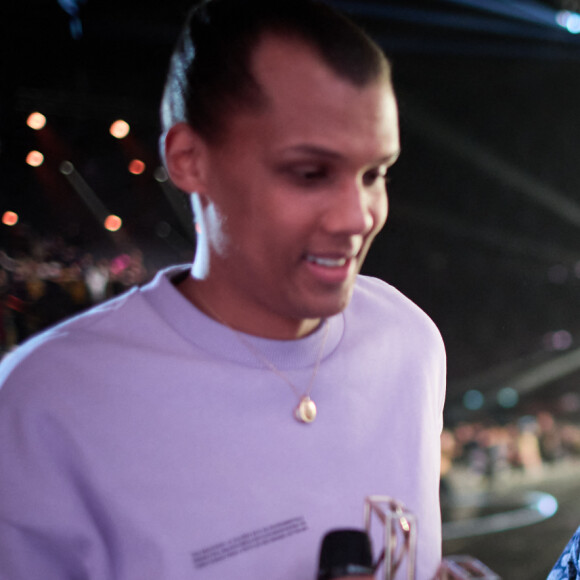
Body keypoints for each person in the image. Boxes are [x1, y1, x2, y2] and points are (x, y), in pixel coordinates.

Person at [0, 1, 446, 579]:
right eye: (310, 173)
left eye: (374, 174)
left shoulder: (407, 341)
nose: (357, 217)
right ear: (189, 160)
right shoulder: (44, 405)